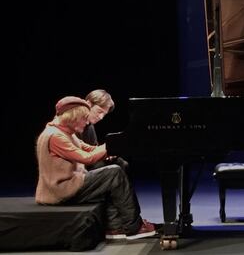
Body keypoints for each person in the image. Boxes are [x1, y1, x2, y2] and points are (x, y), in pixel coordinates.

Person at [35, 96, 156, 240]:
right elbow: (86, 158)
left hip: (68, 184)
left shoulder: (63, 132)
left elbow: (89, 149)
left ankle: (115, 226)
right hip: (61, 190)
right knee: (114, 173)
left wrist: (110, 150)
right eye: (84, 117)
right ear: (74, 116)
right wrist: (118, 141)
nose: (87, 122)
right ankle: (133, 227)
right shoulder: (55, 136)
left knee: (116, 166)